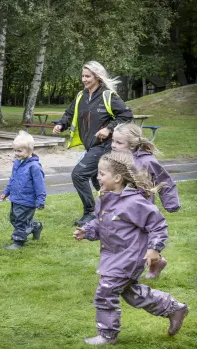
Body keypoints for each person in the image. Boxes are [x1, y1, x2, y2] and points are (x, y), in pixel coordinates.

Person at [74, 151, 188, 346]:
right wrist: (87, 231)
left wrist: (154, 249)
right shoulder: (105, 198)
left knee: (106, 292)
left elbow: (158, 225)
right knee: (131, 293)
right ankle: (173, 308)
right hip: (113, 257)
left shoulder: (134, 202)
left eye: (102, 174)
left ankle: (107, 335)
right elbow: (101, 223)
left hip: (129, 257)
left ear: (117, 178)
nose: (98, 177)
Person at [52, 61, 134, 227]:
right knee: (100, 181)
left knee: (79, 174)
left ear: (97, 76)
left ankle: (90, 212)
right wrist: (61, 124)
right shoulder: (81, 96)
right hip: (91, 146)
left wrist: (109, 129)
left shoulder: (108, 96)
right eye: (82, 76)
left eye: (87, 76)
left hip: (104, 146)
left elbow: (126, 115)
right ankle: (114, 211)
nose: (84, 79)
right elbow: (69, 114)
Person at [112, 122, 181, 279]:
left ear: (132, 144)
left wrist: (171, 203)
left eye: (119, 142)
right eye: (113, 141)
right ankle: (156, 262)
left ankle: (132, 273)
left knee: (139, 241)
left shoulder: (147, 161)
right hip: (123, 208)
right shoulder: (115, 159)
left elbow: (164, 180)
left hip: (142, 209)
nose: (114, 145)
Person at [0, 131, 46, 249]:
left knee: (20, 221)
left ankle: (18, 241)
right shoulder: (17, 164)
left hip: (27, 200)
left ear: (29, 150)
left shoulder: (34, 167)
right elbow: (13, 179)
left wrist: (40, 200)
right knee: (14, 218)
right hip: (16, 198)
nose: (16, 153)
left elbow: (40, 185)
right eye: (15, 150)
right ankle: (35, 227)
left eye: (19, 151)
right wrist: (6, 192)